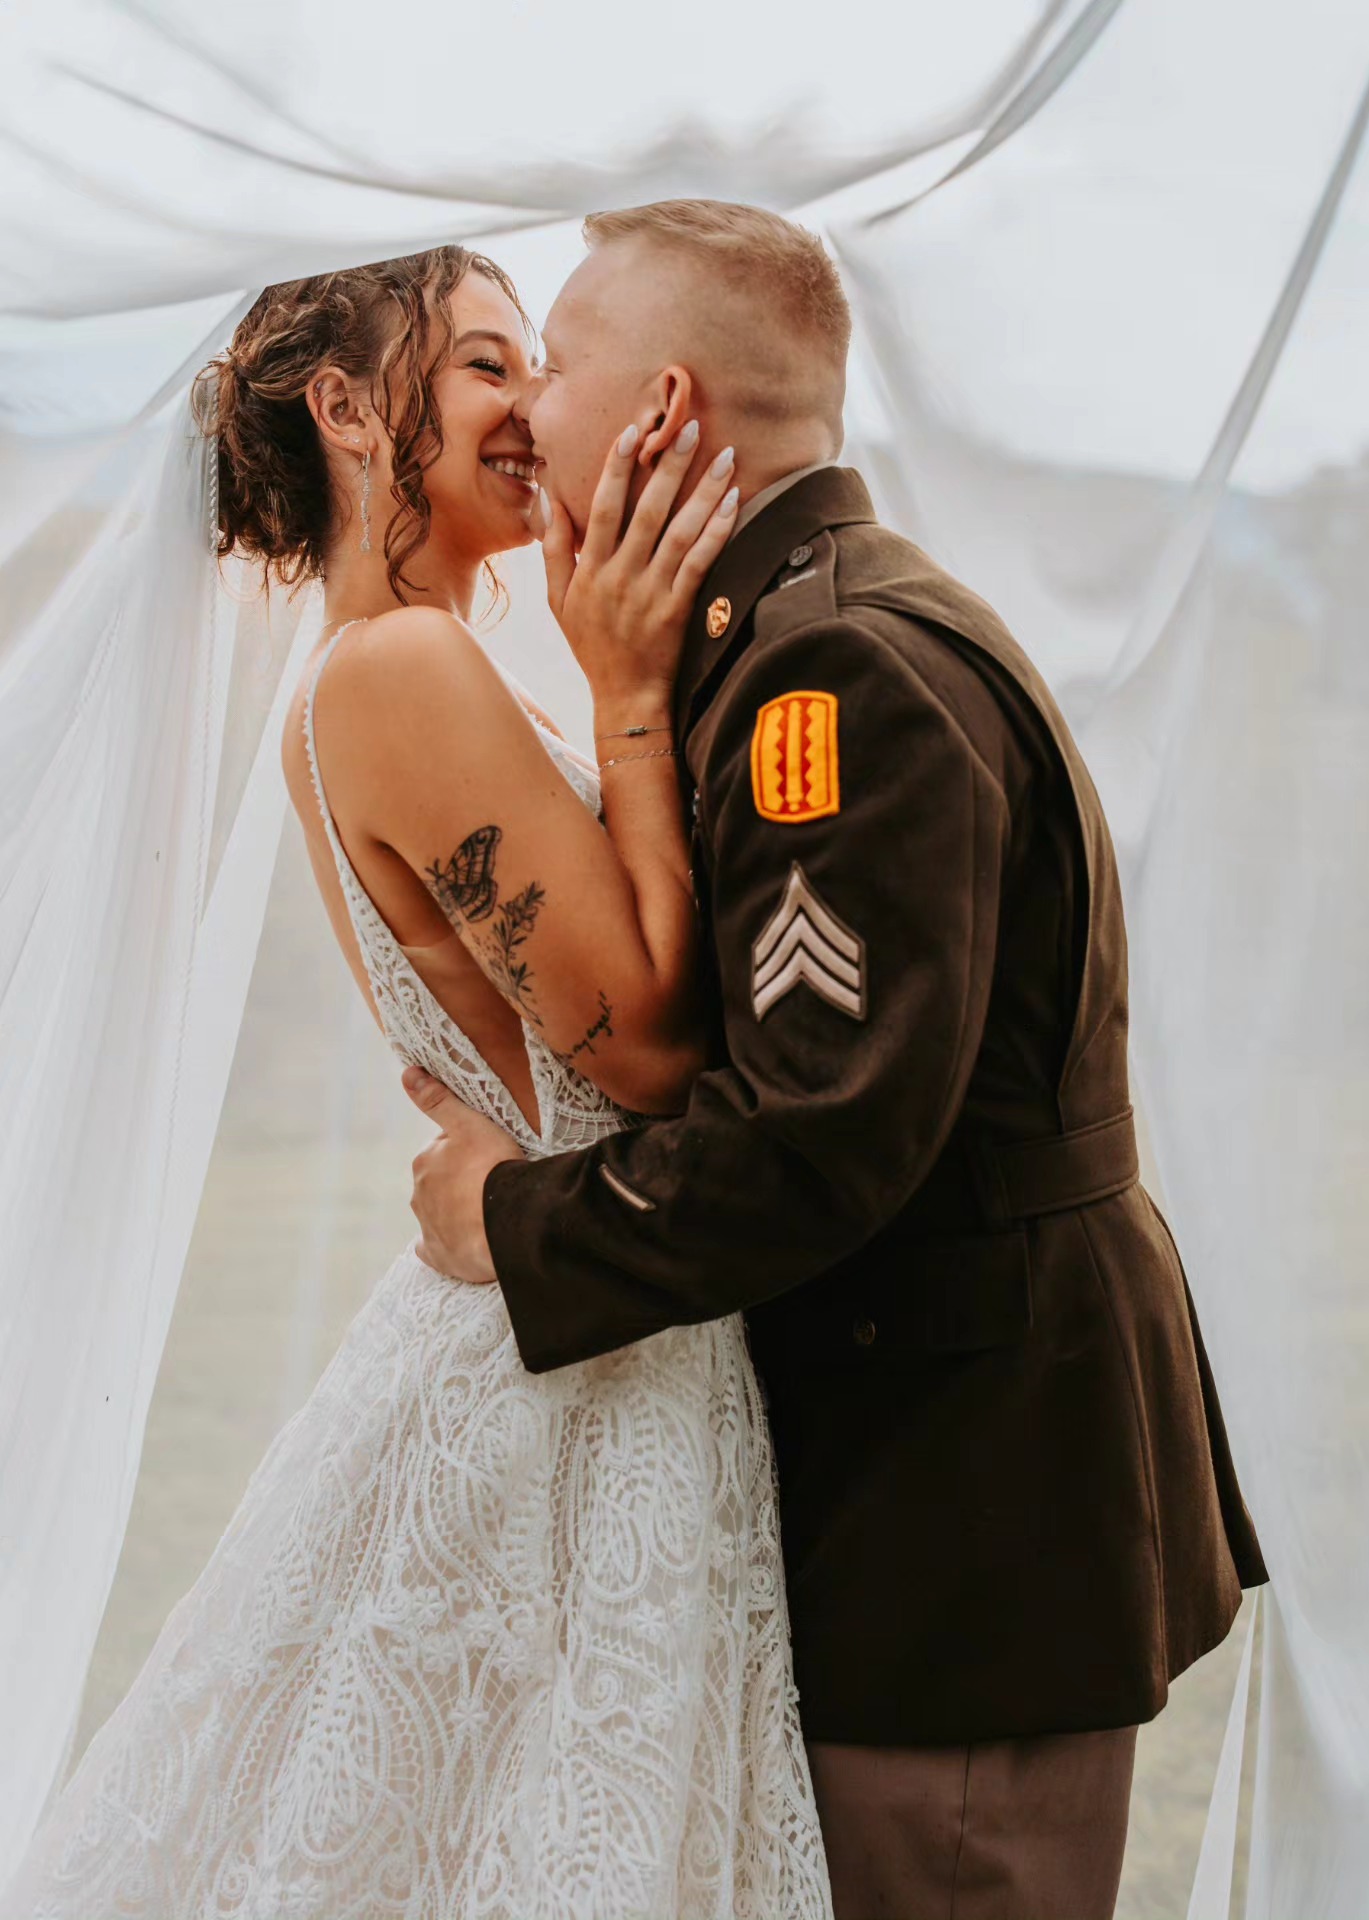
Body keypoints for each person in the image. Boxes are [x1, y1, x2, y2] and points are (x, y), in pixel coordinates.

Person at [405, 198, 1269, 1920]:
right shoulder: (791, 634)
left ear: (663, 415)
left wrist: (509, 1219)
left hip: (965, 1507)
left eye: (553, 368)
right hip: (949, 1454)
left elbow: (821, 1136)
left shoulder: (830, 685)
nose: (526, 415)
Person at [0, 246, 831, 1920]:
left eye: (534, 367)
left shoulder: (396, 670)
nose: (534, 410)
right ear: (344, 411)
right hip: (577, 1370)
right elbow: (657, 1046)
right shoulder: (400, 674)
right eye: (482, 369)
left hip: (564, 1306)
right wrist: (631, 692)